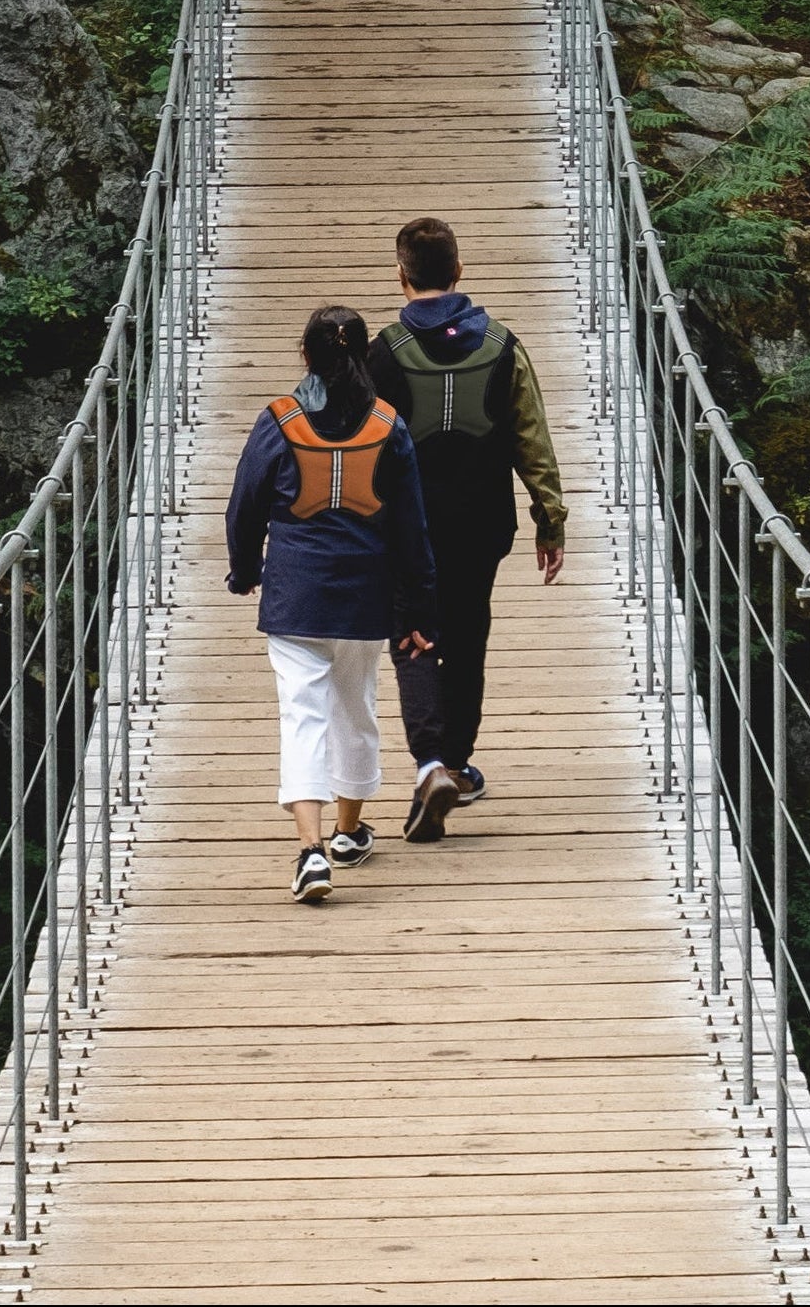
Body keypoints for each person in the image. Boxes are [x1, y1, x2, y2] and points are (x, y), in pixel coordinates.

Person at [225, 305, 437, 902]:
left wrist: (246, 571)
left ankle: (311, 852)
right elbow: (411, 529)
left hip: (295, 594)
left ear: (305, 357)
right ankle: (348, 833)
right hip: (365, 596)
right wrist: (419, 611)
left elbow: (244, 505)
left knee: (303, 715)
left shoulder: (279, 421)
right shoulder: (389, 425)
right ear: (367, 356)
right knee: (356, 708)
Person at [369, 217, 567, 843]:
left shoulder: (383, 351)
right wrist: (550, 519)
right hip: (482, 523)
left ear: (402, 278)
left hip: (408, 526)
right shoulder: (503, 345)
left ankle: (431, 765)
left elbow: (360, 442)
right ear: (459, 272)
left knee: (416, 632)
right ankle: (455, 760)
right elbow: (531, 438)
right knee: (470, 630)